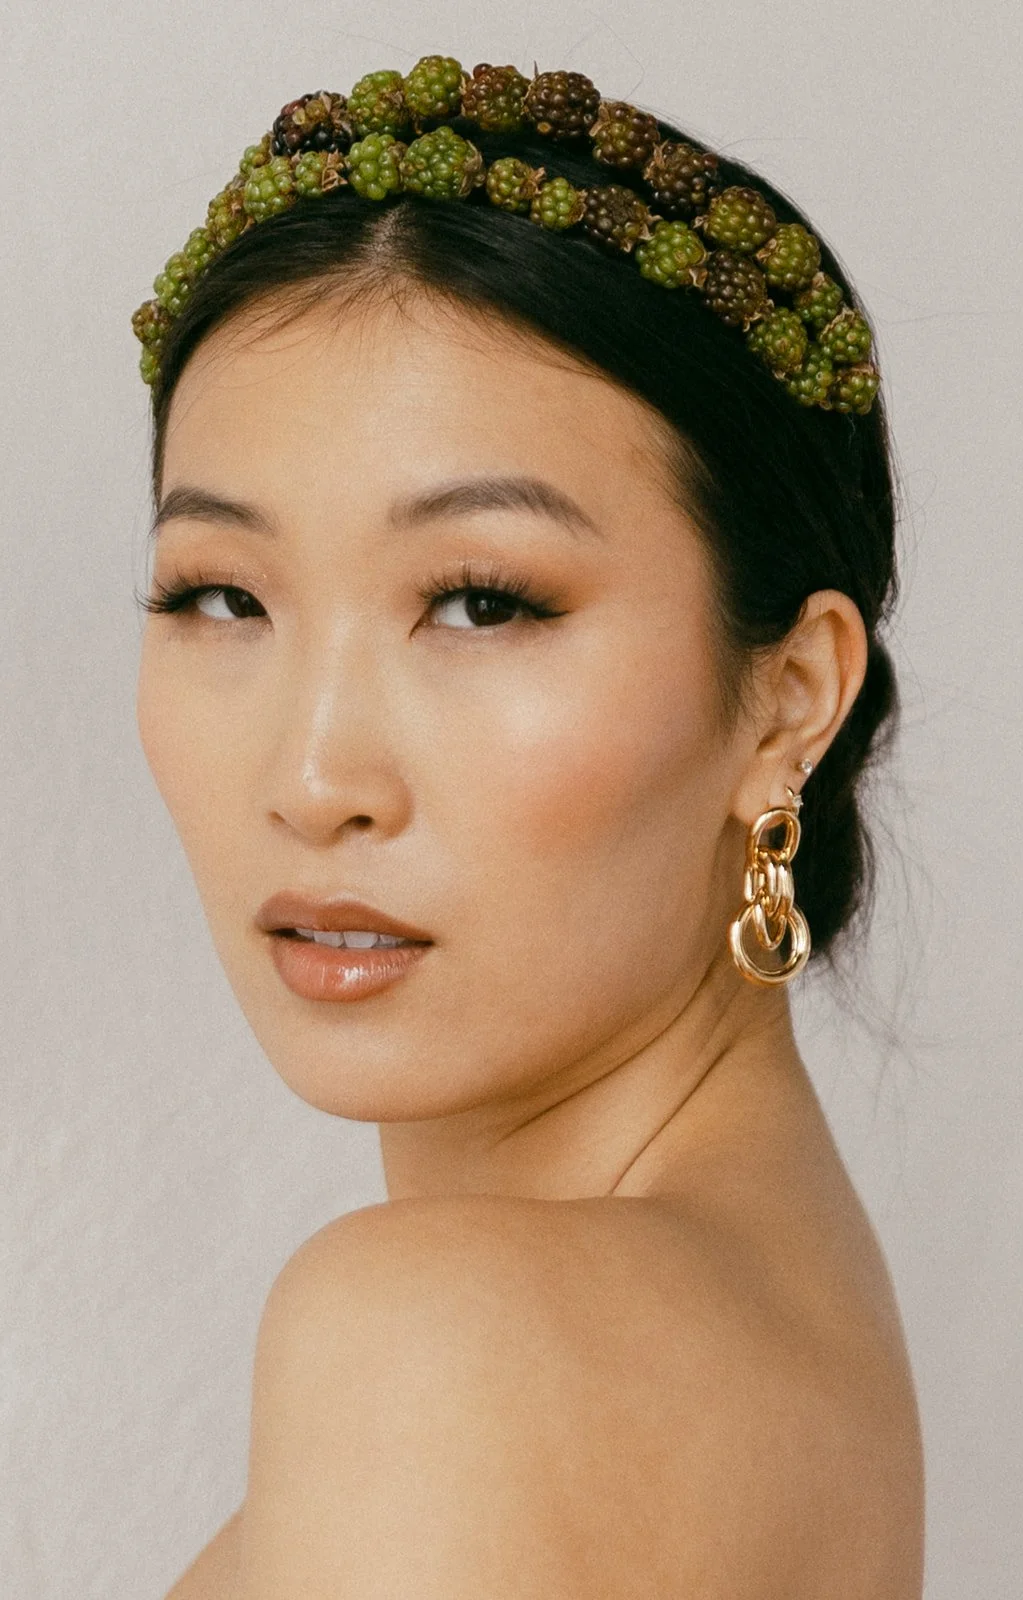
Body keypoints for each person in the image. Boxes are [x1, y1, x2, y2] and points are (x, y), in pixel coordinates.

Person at [134, 56, 924, 1598]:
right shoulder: (765, 1317)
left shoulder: (447, 1345)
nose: (312, 776)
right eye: (220, 595)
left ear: (787, 699)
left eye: (483, 602)